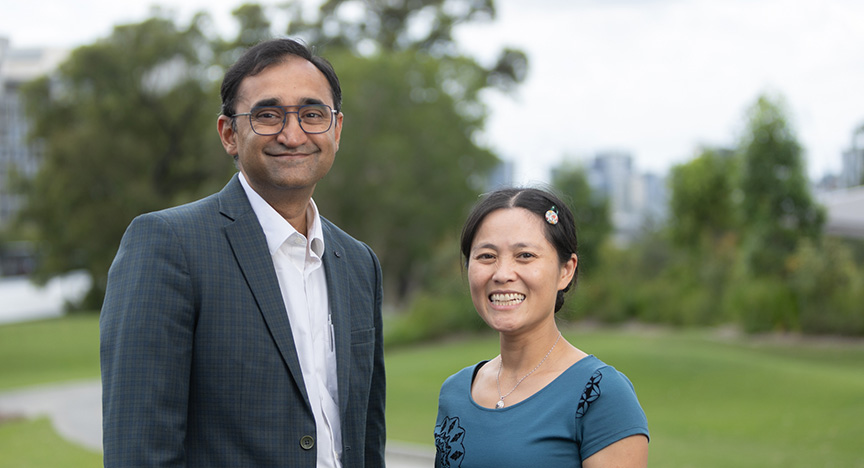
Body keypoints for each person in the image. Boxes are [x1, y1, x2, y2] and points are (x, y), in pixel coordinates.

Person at [100, 38, 386, 467]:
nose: (293, 135)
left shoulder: (359, 262)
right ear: (230, 134)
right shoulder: (168, 245)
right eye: (268, 115)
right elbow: (138, 449)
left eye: (312, 115)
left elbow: (367, 440)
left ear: (336, 129)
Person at [434, 188, 649, 468]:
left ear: (566, 270)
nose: (502, 274)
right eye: (487, 256)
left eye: (524, 255)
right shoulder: (456, 391)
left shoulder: (601, 394)